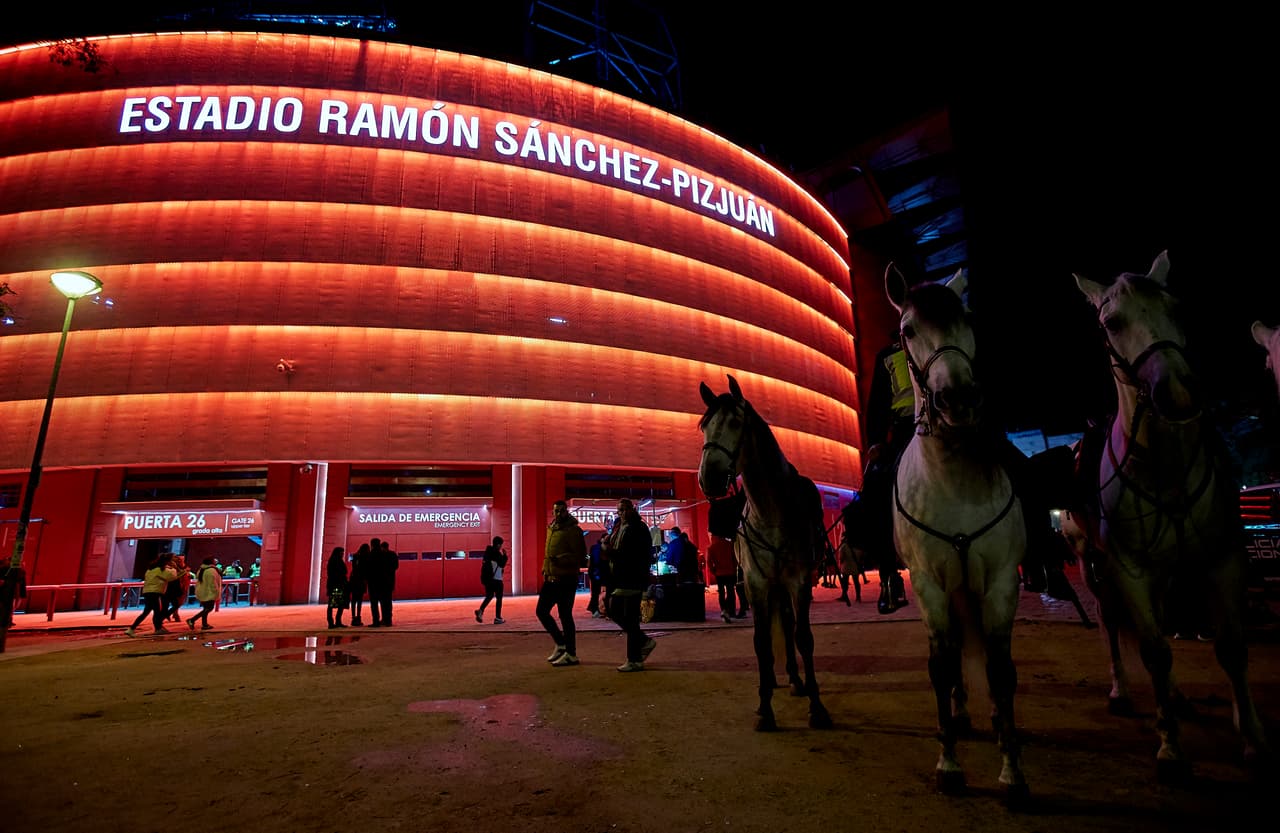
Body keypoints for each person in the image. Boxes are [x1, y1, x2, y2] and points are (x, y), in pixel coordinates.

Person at [608, 498, 657, 671]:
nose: (621, 513)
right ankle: (643, 642)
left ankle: (634, 659)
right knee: (614, 611)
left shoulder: (639, 527)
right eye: (619, 510)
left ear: (632, 509)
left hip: (632, 577)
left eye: (624, 509)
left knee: (629, 617)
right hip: (619, 577)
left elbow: (633, 554)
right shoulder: (618, 527)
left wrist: (610, 551)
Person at [539, 500, 585, 667]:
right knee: (541, 611)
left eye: (561, 511)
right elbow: (548, 553)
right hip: (551, 578)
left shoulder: (573, 530)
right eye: (556, 511)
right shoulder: (552, 528)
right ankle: (561, 643)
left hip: (566, 579)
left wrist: (560, 559)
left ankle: (571, 654)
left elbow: (580, 555)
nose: (558, 514)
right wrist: (545, 568)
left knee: (565, 615)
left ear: (567, 511)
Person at [126, 554, 178, 636]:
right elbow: (172, 577)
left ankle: (132, 628)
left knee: (147, 611)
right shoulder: (161, 570)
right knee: (157, 611)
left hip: (148, 592)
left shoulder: (151, 569)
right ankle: (158, 628)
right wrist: (174, 568)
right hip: (155, 592)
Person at [475, 536, 508, 624]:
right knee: (499, 598)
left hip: (488, 578)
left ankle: (480, 610)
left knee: (489, 595)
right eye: (500, 544)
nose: (501, 546)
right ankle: (498, 617)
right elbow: (502, 564)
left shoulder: (487, 552)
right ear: (498, 545)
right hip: (496, 579)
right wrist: (505, 556)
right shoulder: (496, 553)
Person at [706, 533, 737, 623]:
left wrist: (713, 570)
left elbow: (709, 562)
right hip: (730, 571)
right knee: (730, 591)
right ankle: (729, 610)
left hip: (719, 573)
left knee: (721, 592)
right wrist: (734, 568)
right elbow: (734, 558)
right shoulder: (730, 545)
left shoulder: (711, 547)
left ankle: (723, 609)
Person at [186, 556, 222, 631]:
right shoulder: (212, 570)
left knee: (206, 608)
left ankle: (204, 624)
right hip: (209, 592)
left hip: (202, 591)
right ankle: (192, 620)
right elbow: (213, 583)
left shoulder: (201, 569)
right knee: (209, 608)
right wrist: (216, 592)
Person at [585, 527, 610, 619]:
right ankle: (595, 609)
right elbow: (596, 562)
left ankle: (600, 609)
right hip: (596, 573)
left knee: (602, 592)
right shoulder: (596, 548)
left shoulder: (604, 548)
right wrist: (596, 574)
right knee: (596, 592)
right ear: (602, 539)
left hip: (600, 573)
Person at [325, 546, 348, 629]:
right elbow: (342, 571)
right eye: (341, 553)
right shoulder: (336, 561)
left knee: (337, 604)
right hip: (336, 585)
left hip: (335, 584)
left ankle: (335, 622)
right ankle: (333, 622)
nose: (342, 554)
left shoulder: (333, 560)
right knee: (334, 604)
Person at [163, 554, 190, 623]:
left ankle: (173, 614)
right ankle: (166, 616)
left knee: (178, 602)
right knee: (170, 603)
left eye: (182, 559)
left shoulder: (184, 566)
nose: (180, 560)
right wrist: (184, 572)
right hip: (171, 587)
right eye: (179, 559)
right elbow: (175, 576)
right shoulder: (171, 567)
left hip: (181, 586)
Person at [347, 544, 368, 626]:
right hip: (361, 581)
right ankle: (358, 617)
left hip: (353, 580)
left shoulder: (355, 556)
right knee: (359, 600)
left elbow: (354, 568)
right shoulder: (365, 558)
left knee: (353, 600)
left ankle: (353, 617)